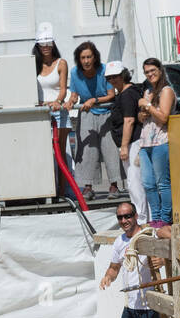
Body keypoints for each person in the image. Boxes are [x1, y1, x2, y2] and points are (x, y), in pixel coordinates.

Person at [66, 41, 119, 198]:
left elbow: (111, 95)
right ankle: (88, 187)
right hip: (86, 112)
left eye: (89, 57)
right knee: (87, 149)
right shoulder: (75, 73)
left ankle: (114, 186)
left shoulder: (104, 70)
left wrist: (94, 100)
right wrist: (70, 102)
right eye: (83, 57)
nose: (86, 61)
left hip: (106, 111)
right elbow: (75, 95)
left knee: (110, 149)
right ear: (79, 59)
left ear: (94, 57)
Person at [107, 62, 148, 223]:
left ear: (123, 74)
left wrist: (124, 146)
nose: (112, 80)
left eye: (115, 76)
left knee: (134, 182)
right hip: (133, 143)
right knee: (136, 182)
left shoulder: (127, 94)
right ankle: (143, 216)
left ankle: (142, 219)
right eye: (109, 77)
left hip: (133, 143)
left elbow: (129, 120)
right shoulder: (128, 93)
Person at [137, 58, 174, 227]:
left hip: (161, 141)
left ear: (160, 70)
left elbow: (163, 118)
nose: (150, 74)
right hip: (145, 142)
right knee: (148, 184)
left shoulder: (166, 91)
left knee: (162, 183)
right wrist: (142, 113)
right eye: (147, 72)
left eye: (153, 70)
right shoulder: (148, 91)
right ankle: (156, 218)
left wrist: (148, 106)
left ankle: (165, 219)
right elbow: (142, 118)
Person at [34, 23, 70, 174]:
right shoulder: (34, 64)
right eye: (42, 44)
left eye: (49, 43)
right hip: (41, 111)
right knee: (44, 153)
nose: (46, 47)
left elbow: (63, 89)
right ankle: (51, 190)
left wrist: (57, 102)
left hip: (58, 110)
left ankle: (63, 190)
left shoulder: (61, 63)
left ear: (53, 44)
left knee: (61, 152)